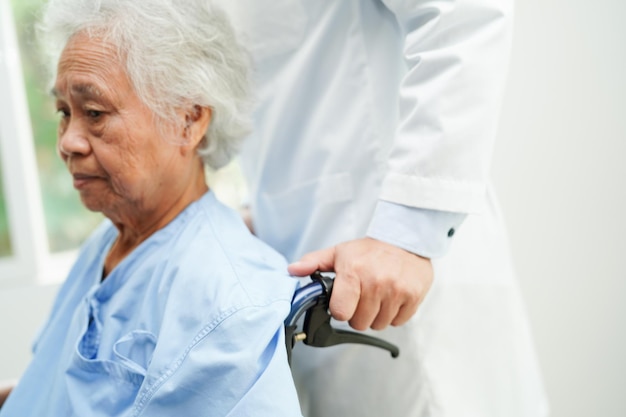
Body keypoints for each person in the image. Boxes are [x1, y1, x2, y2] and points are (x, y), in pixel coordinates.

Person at [217, 0, 550, 416]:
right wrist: (257, 216)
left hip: (400, 266)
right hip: (315, 281)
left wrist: (407, 234)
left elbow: (463, 15)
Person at [0, 1, 303, 416]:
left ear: (188, 120)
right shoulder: (105, 244)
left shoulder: (230, 305)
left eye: (94, 113)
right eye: (64, 112)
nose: (68, 140)